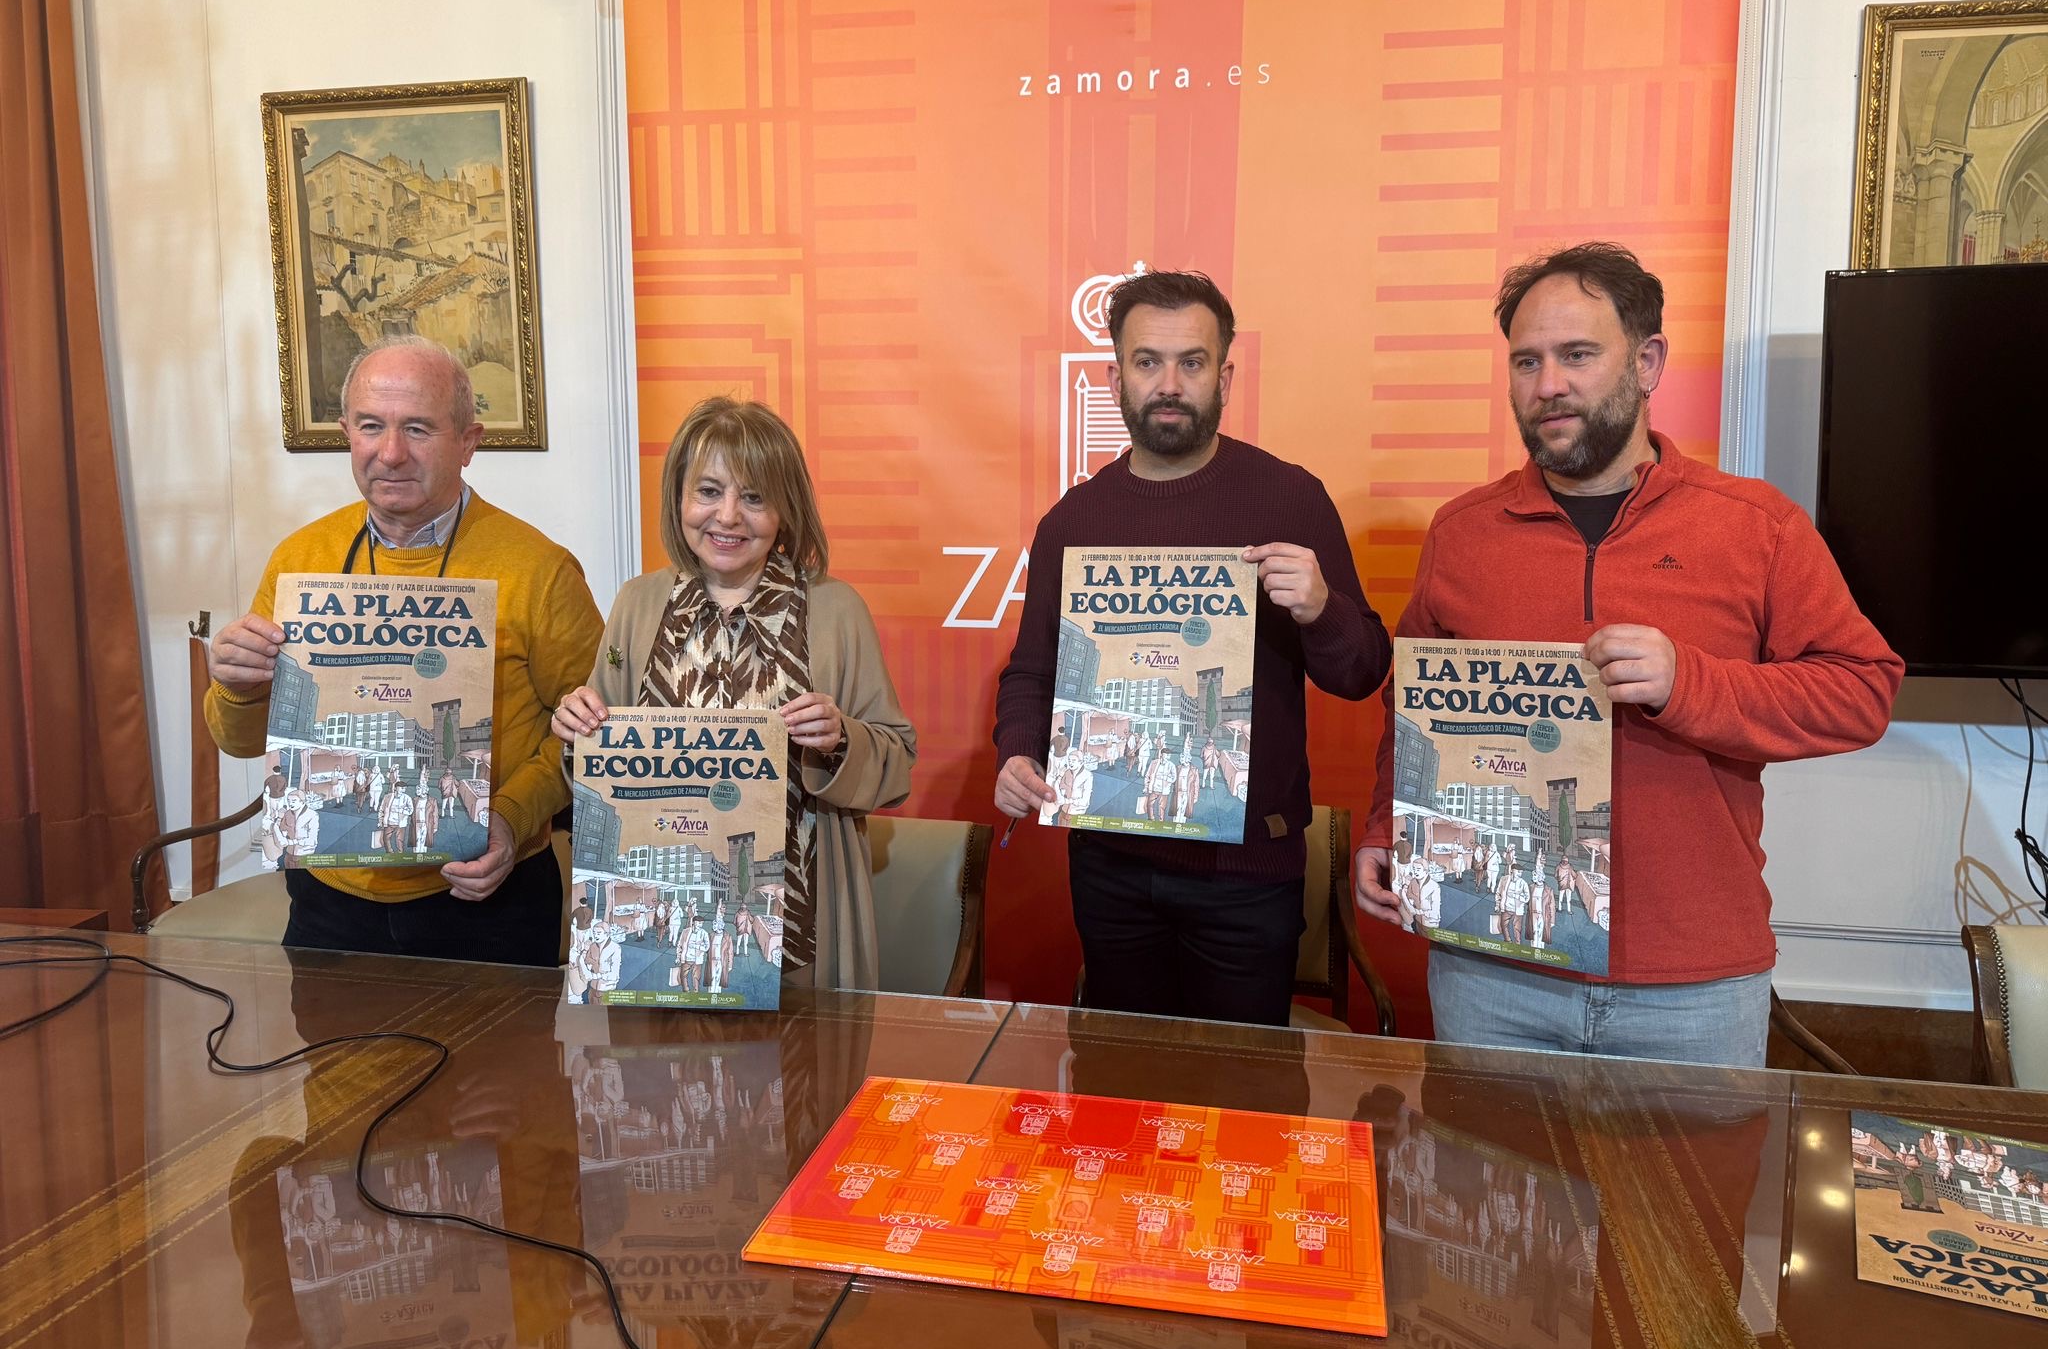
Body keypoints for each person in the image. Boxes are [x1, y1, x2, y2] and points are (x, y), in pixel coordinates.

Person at [1355, 242, 1902, 1065]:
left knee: (1697, 1165)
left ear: (1647, 363)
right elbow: (1413, 708)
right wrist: (1385, 825)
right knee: (1482, 1156)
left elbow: (1863, 692)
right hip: (1492, 970)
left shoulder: (1756, 526)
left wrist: (1690, 683)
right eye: (1527, 361)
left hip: (1692, 988)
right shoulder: (1461, 533)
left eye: (1578, 355)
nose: (1548, 384)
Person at [994, 269, 1391, 1027]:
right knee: (1120, 1076)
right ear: (1115, 378)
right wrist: (1017, 750)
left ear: (1225, 378)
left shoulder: (1290, 497)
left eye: (1193, 362)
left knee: (1244, 1085)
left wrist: (1321, 609)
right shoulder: (1072, 521)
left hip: (1249, 872)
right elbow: (1032, 673)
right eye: (1148, 362)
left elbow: (1362, 671)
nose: (1169, 384)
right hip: (1109, 862)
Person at [204, 335, 604, 967]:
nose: (390, 453)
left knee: (498, 1043)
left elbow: (594, 735)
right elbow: (242, 742)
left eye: (418, 428)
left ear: (468, 443)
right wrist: (236, 685)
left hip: (485, 894)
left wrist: (509, 818)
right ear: (346, 434)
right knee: (330, 1038)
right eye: (371, 426)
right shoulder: (300, 560)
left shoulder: (540, 570)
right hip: (329, 898)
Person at [551, 396, 916, 991]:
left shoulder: (835, 610)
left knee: (802, 1054)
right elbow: (596, 771)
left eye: (754, 497)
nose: (728, 517)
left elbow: (896, 762)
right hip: (659, 921)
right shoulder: (638, 604)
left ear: (786, 509)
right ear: (678, 498)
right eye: (708, 491)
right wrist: (578, 732)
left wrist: (841, 739)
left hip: (799, 930)